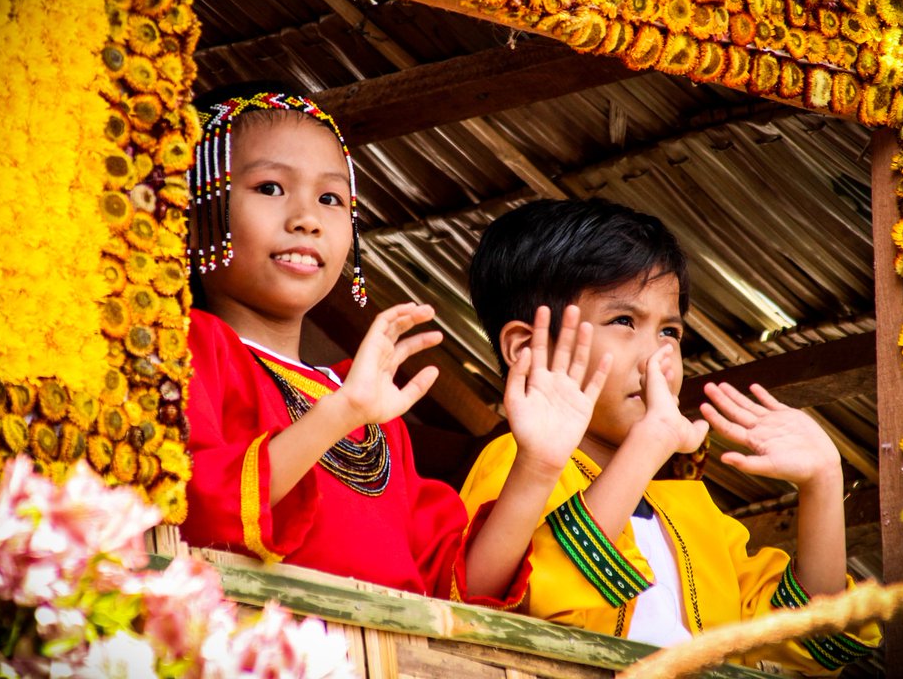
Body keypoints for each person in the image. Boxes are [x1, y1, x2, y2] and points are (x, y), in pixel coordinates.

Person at [179, 86, 607, 607]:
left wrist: (537, 465)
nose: (307, 218)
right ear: (193, 214)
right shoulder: (192, 346)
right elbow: (194, 508)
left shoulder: (371, 408)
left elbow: (463, 588)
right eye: (270, 187)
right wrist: (340, 415)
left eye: (331, 198)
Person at [459, 198, 880, 674]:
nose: (656, 357)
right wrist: (649, 444)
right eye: (624, 322)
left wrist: (822, 483)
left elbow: (812, 644)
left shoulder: (694, 516)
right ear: (527, 347)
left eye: (670, 331)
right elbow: (518, 603)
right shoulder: (515, 462)